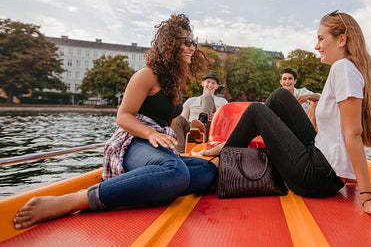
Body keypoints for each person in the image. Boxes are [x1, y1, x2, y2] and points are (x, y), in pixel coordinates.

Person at [13, 14, 218, 229]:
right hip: (134, 143)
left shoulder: (173, 82)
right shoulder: (147, 75)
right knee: (176, 172)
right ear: (170, 44)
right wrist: (151, 133)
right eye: (187, 42)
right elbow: (123, 116)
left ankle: (146, 185)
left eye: (193, 42)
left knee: (208, 170)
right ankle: (76, 200)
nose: (192, 47)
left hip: (157, 148)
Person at [222, 11, 371, 224]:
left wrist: (368, 199)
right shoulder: (346, 69)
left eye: (321, 38)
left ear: (342, 40)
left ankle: (224, 160)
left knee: (256, 110)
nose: (316, 46)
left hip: (316, 176)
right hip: (319, 158)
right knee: (280, 95)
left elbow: (354, 134)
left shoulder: (343, 68)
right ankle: (234, 147)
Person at [173, 72, 228, 152]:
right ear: (202, 83)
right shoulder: (191, 100)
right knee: (177, 118)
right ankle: (179, 153)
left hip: (210, 127)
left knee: (207, 96)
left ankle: (202, 121)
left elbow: (227, 120)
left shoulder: (222, 101)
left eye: (213, 83)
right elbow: (183, 117)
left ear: (216, 86)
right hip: (192, 128)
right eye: (208, 82)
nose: (210, 85)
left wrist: (217, 117)